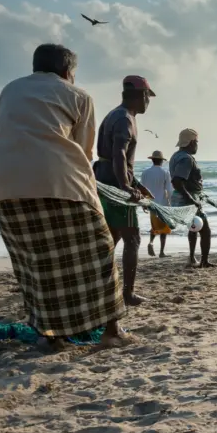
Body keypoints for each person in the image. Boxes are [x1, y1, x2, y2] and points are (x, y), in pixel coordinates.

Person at [0, 43, 128, 348]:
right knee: (100, 253)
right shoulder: (78, 95)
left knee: (36, 263)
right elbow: (83, 149)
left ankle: (50, 336)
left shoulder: (9, 90)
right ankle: (112, 332)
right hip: (60, 182)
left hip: (4, 186)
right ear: (67, 72)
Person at [93, 75, 155, 306]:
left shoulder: (114, 115)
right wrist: (126, 187)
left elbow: (115, 158)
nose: (148, 102)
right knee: (133, 238)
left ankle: (100, 288)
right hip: (115, 187)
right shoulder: (125, 118)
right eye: (148, 97)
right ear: (141, 95)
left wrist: (136, 183)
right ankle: (127, 294)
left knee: (112, 238)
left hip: (104, 180)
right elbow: (118, 154)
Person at [169, 128, 214, 268]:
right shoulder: (186, 159)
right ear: (191, 142)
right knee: (205, 231)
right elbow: (177, 181)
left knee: (193, 228)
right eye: (196, 142)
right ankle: (204, 261)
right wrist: (191, 200)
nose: (197, 145)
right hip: (189, 198)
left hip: (182, 197)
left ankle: (192, 258)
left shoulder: (176, 156)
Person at [139, 150, 172, 258]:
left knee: (154, 226)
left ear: (152, 160)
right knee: (164, 229)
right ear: (161, 161)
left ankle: (151, 242)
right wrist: (171, 203)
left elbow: (142, 190)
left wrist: (143, 204)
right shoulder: (165, 173)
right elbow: (169, 190)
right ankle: (162, 252)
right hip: (162, 204)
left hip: (150, 203)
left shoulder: (145, 173)